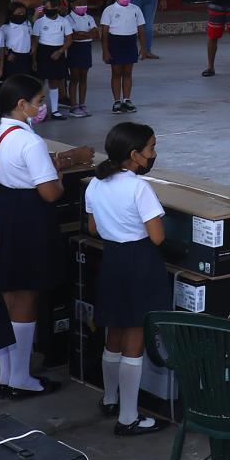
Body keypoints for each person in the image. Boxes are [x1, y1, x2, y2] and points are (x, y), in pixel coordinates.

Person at [0, 75, 93, 396]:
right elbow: (50, 193)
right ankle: (20, 378)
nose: (42, 107)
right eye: (39, 102)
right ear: (21, 104)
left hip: (2, 213)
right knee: (26, 297)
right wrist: (57, 175)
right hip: (28, 217)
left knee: (6, 296)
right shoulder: (29, 141)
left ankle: (7, 374)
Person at [84, 121, 169, 436]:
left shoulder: (95, 184)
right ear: (134, 155)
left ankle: (109, 399)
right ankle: (128, 417)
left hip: (112, 260)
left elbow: (92, 228)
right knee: (136, 337)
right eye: (151, 148)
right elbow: (157, 237)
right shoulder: (139, 188)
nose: (154, 153)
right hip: (139, 262)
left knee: (114, 333)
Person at [99, 0, 146, 113]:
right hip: (115, 43)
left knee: (128, 73)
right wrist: (105, 50)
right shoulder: (109, 10)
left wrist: (143, 47)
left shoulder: (135, 9)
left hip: (130, 42)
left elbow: (141, 29)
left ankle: (127, 99)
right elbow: (104, 33)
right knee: (116, 73)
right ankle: (116, 101)